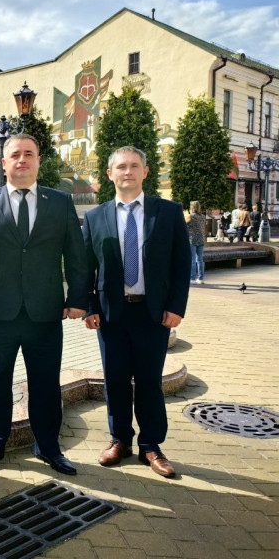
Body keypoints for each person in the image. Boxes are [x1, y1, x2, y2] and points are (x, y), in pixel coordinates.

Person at [0, 134, 87, 475]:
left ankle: (48, 448)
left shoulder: (60, 203)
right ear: (4, 163)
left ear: (39, 160)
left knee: (45, 384)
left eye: (29, 154)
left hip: (45, 312)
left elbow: (76, 255)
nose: (22, 160)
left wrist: (78, 298)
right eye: (15, 155)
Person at [83, 146, 190, 478]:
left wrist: (176, 306)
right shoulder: (95, 217)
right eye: (121, 167)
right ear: (110, 174)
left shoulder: (168, 212)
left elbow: (181, 263)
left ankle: (151, 446)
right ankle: (120, 440)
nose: (127, 171)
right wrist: (90, 307)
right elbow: (86, 267)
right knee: (114, 381)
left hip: (153, 314)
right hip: (111, 315)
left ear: (145, 172)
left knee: (149, 382)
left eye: (134, 166)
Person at [186, 200, 206, 284]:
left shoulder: (190, 216)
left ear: (192, 207)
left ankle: (192, 278)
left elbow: (184, 225)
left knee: (192, 259)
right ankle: (201, 279)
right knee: (200, 259)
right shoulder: (203, 216)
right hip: (201, 239)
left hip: (192, 239)